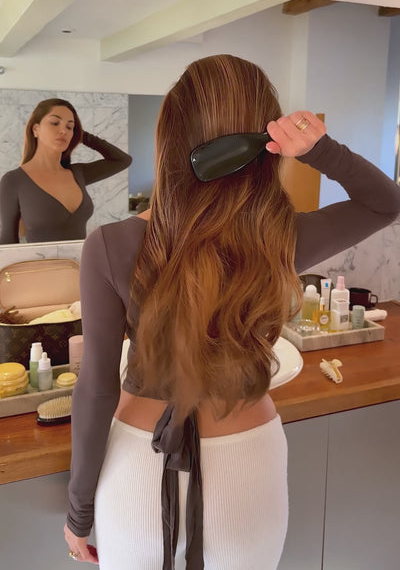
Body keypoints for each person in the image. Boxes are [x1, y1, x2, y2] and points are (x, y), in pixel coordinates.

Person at [64, 54, 400, 569]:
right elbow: (385, 203)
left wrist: (79, 511)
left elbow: (96, 388)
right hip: (247, 460)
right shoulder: (279, 238)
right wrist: (321, 149)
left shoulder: (109, 245)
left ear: (170, 137)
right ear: (264, 144)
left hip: (136, 465)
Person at [0, 98, 132, 243]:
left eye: (70, 127)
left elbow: (122, 160)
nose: (63, 131)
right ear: (35, 129)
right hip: (39, 259)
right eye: (54, 123)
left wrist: (82, 135)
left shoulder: (78, 173)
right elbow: (8, 241)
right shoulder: (14, 180)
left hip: (84, 258)